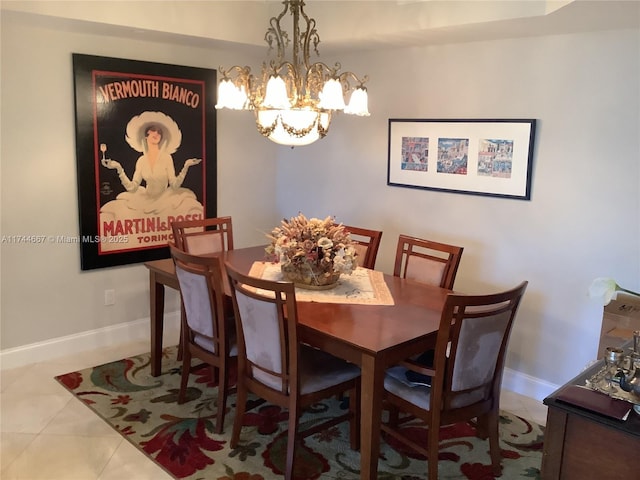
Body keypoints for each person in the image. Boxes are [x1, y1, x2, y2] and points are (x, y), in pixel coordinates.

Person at [99, 111, 204, 248]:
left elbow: (174, 185)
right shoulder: (141, 161)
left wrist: (186, 166)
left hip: (166, 199)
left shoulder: (167, 158)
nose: (156, 134)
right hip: (145, 200)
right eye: (153, 131)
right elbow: (132, 187)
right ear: (146, 135)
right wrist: (119, 168)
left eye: (159, 132)